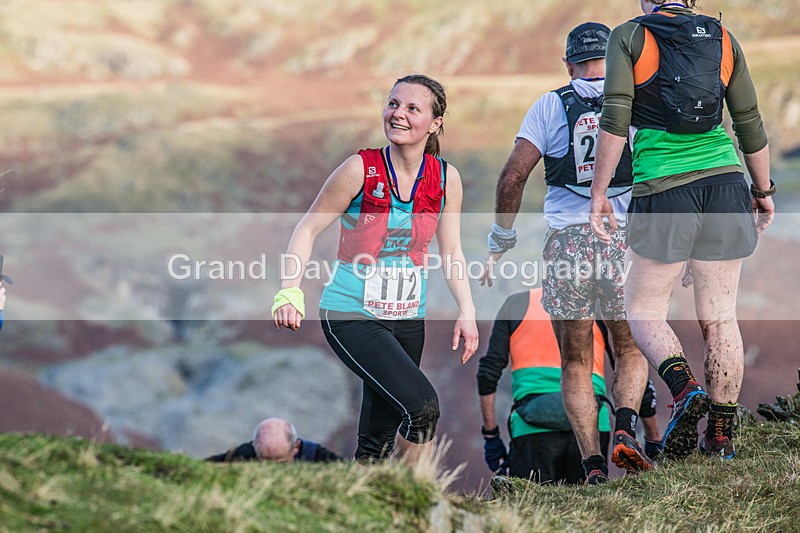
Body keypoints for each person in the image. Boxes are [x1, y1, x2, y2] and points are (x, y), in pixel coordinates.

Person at [590, 0, 774, 461]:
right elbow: (748, 122)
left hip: (663, 187)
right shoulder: (723, 39)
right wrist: (762, 189)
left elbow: (614, 117)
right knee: (721, 317)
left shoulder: (630, 36)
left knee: (645, 309)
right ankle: (721, 439)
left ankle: (685, 389)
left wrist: (598, 194)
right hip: (727, 183)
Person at [272, 74, 479, 464]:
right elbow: (308, 227)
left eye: (412, 108)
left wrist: (466, 311)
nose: (398, 114)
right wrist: (290, 290)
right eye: (393, 104)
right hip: (351, 314)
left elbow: (451, 250)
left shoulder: (446, 178)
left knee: (377, 439)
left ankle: (372, 502)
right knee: (422, 407)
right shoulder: (359, 169)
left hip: (407, 318)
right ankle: (413, 494)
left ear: (434, 124)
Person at [480, 23, 652, 483]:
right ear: (617, 60)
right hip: (622, 238)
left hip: (568, 242)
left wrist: (501, 237)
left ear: (569, 62)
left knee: (574, 360)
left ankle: (592, 464)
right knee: (629, 347)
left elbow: (513, 177)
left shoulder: (549, 105)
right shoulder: (638, 100)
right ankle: (626, 429)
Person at [477, 289, 663, 484]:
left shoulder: (515, 305)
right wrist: (653, 437)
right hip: (592, 423)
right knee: (588, 510)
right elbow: (627, 371)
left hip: (531, 428)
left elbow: (487, 373)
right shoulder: (598, 305)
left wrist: (491, 435)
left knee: (530, 508)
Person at [206, 418, 342, 463]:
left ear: (296, 447)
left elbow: (351, 475)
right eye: (264, 461)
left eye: (280, 463)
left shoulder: (316, 456)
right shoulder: (242, 455)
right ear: (254, 447)